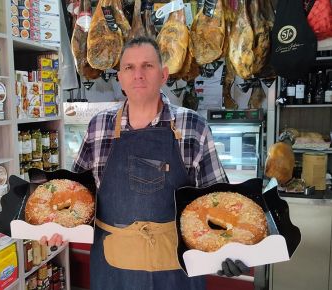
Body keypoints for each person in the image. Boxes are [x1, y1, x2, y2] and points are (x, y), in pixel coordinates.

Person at [43, 36, 249, 289]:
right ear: (120, 78)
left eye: (147, 66)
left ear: (163, 74)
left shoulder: (193, 126)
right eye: (129, 67)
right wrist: (58, 225)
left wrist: (227, 247)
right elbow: (77, 194)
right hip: (113, 269)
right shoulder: (99, 127)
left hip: (177, 270)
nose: (138, 74)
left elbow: (219, 199)